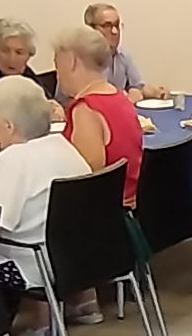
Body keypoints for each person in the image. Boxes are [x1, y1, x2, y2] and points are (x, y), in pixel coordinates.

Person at [0, 76, 94, 336]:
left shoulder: (14, 160)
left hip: (35, 265)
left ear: (8, 125)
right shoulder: (63, 146)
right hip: (78, 259)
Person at [53, 23, 145, 204]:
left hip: (108, 213)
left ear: (71, 61)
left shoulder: (86, 110)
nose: (57, 73)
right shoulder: (118, 96)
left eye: (57, 64)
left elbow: (87, 180)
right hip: (131, 204)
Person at [0, 18, 57, 110]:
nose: (12, 59)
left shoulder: (27, 74)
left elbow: (47, 104)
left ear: (29, 55)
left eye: (19, 52)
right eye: (5, 51)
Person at [84, 2, 154, 97]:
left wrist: (157, 92)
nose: (115, 31)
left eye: (117, 25)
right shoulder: (80, 61)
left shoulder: (122, 55)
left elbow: (139, 86)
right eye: (107, 26)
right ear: (90, 29)